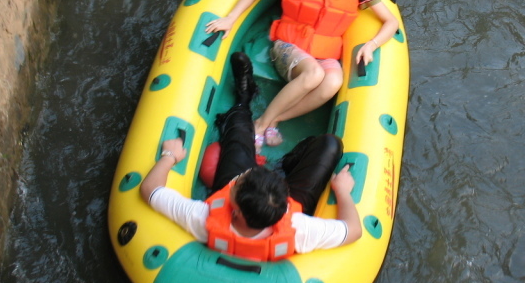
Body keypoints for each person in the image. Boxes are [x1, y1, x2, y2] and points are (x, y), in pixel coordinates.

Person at [139, 53, 362, 260]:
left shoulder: (202, 219)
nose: (239, 177)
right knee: (330, 144)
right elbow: (353, 230)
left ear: (235, 211)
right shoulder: (301, 229)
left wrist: (169, 156)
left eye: (237, 183)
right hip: (280, 203)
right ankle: (251, 107)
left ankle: (242, 102)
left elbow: (150, 190)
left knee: (237, 137)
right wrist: (342, 191)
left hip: (259, 204)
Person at [205, 0, 399, 151]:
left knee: (333, 82)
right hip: (287, 45)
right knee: (314, 74)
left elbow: (390, 21)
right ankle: (260, 124)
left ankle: (276, 119)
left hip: (322, 52)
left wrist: (371, 45)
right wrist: (230, 18)